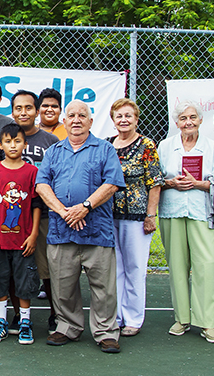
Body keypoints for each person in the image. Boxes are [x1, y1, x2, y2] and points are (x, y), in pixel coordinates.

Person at [35, 100, 126, 354]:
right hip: (61, 230)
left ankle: (106, 332)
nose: (76, 120)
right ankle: (67, 327)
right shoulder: (54, 151)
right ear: (65, 121)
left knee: (103, 287)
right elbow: (42, 185)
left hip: (96, 231)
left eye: (82, 116)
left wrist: (85, 206)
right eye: (71, 115)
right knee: (63, 285)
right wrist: (64, 212)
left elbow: (112, 183)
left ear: (91, 121)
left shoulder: (105, 149)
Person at [158, 100, 214, 344]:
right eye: (183, 118)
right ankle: (182, 319)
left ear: (200, 120)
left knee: (206, 265)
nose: (188, 122)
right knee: (177, 266)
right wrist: (172, 183)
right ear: (177, 123)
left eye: (192, 117)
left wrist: (198, 184)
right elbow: (156, 179)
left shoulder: (212, 148)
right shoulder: (166, 146)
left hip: (202, 212)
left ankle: (208, 323)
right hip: (172, 211)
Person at [0, 89, 60, 333]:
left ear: (38, 110)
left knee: (46, 267)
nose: (23, 112)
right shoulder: (4, 140)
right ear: (12, 111)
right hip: (13, 214)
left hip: (43, 213)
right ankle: (17, 315)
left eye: (29, 107)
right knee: (12, 266)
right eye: (18, 108)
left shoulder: (50, 141)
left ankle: (56, 314)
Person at [105, 98, 163, 337]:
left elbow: (155, 182)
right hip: (109, 216)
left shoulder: (146, 145)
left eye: (128, 115)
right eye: (119, 116)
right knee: (114, 268)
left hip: (137, 216)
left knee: (135, 267)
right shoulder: (107, 145)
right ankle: (116, 316)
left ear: (136, 119)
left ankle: (133, 318)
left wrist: (151, 215)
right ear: (113, 120)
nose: (124, 120)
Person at [0, 124, 41, 345]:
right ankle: (1, 322)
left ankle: (25, 323)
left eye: (17, 141)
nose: (13, 145)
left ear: (25, 144)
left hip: (23, 240)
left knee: (24, 282)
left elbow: (36, 205)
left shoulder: (32, 172)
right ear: (1, 145)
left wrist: (33, 234)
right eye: (8, 141)